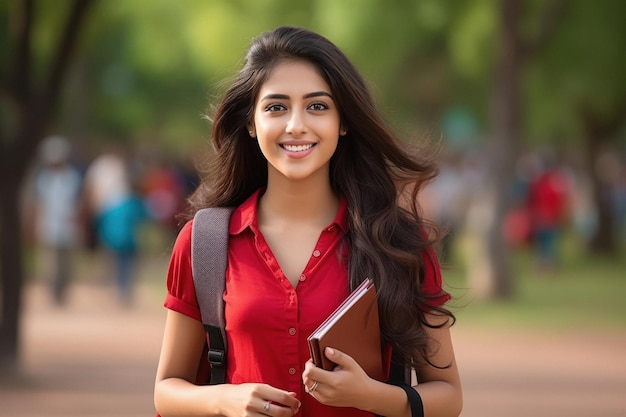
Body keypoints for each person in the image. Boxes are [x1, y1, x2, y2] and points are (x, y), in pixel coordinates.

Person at [154, 26, 462, 417]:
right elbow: (166, 390)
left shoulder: (399, 242)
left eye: (317, 106)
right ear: (251, 123)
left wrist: (369, 395)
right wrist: (224, 399)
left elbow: (448, 397)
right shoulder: (205, 242)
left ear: (343, 122)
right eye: (276, 107)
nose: (296, 125)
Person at [32, 135, 83, 305]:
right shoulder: (44, 178)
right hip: (49, 226)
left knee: (66, 264)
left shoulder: (72, 177)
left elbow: (78, 201)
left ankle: (63, 293)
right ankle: (53, 294)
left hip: (68, 226)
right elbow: (38, 203)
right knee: (51, 264)